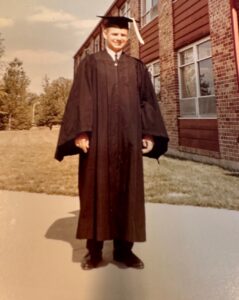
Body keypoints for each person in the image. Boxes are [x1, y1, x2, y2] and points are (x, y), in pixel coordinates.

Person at [55, 16, 169, 270]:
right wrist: (82, 133)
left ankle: (124, 250)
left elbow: (147, 102)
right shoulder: (90, 64)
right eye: (115, 34)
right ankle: (93, 252)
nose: (119, 39)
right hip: (99, 140)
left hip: (129, 140)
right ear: (105, 34)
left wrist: (148, 135)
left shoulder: (137, 67)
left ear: (128, 38)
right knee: (95, 189)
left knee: (128, 192)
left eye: (123, 35)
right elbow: (81, 99)